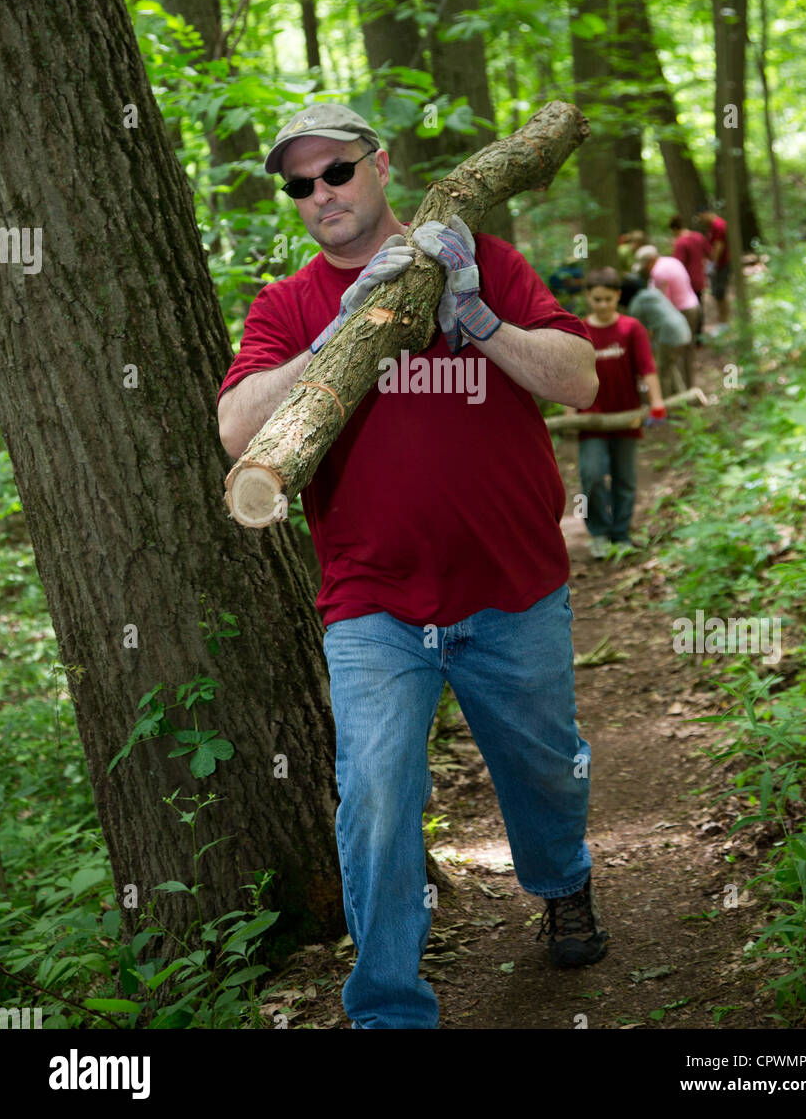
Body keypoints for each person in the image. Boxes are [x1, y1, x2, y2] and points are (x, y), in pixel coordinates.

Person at [217, 102, 606, 1030]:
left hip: (512, 586)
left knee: (546, 771)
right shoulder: (289, 305)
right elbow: (238, 434)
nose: (321, 195)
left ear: (380, 165)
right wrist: (335, 335)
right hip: (374, 605)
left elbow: (581, 378)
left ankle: (562, 882)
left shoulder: (481, 261)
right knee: (379, 794)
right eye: (299, 185)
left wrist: (477, 318)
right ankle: (390, 1006)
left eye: (337, 172)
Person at [579, 267, 666, 559]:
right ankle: (599, 533)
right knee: (592, 474)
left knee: (624, 476)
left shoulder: (631, 328)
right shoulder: (579, 330)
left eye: (608, 299)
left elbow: (647, 367)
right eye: (597, 299)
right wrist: (570, 413)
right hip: (590, 417)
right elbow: (569, 375)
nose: (603, 305)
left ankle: (621, 533)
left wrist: (657, 402)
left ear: (618, 296)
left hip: (627, 414)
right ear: (588, 297)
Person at [632, 243, 699, 389]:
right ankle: (689, 387)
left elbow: (662, 300)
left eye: (644, 265)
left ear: (650, 260)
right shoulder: (671, 261)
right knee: (687, 350)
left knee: (674, 356)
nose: (644, 269)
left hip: (681, 311)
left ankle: (682, 392)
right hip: (693, 305)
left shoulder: (658, 272)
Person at [618, 272, 692, 399]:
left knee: (662, 373)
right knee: (669, 367)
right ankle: (683, 397)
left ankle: (666, 405)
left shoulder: (636, 304)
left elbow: (636, 332)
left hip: (670, 337)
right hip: (684, 330)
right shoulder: (653, 293)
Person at [669, 214, 711, 343]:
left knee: (687, 309)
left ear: (675, 229)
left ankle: (689, 338)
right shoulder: (698, 237)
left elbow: (677, 263)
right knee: (699, 307)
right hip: (699, 278)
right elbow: (710, 253)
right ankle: (699, 338)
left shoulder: (681, 242)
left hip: (686, 282)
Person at [696, 209, 730, 325]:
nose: (701, 221)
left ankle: (724, 321)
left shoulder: (718, 225)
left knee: (720, 292)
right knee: (717, 293)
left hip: (722, 264)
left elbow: (719, 245)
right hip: (719, 263)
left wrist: (713, 263)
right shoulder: (713, 226)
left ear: (706, 213)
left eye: (701, 217)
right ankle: (722, 320)